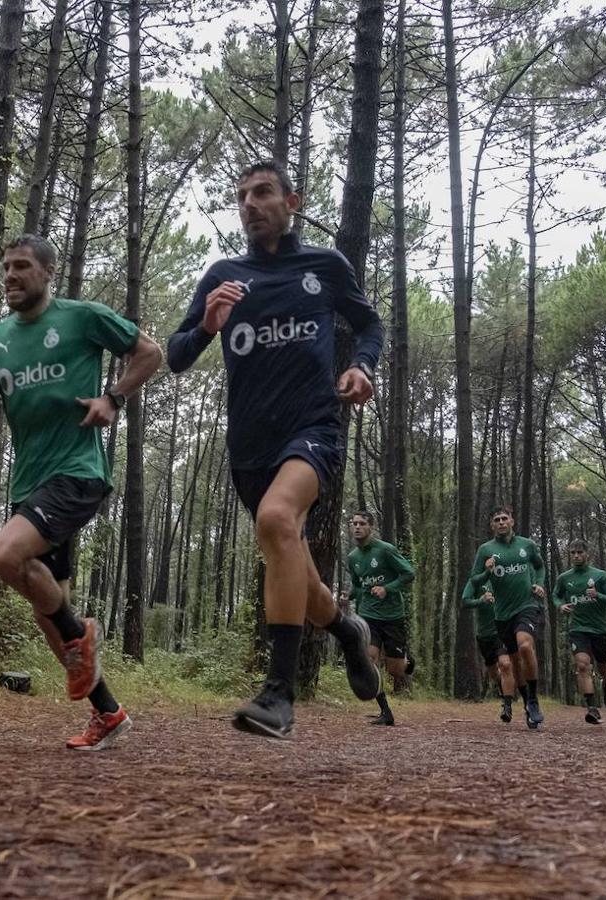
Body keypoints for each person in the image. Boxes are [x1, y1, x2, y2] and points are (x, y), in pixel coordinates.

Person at [166, 160, 384, 739]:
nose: (250, 204)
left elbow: (369, 324)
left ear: (292, 201)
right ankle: (345, 630)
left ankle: (279, 693)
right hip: (249, 445)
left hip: (313, 427)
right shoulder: (223, 274)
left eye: (262, 193)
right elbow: (177, 353)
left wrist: (362, 366)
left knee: (277, 517)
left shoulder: (324, 265)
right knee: (294, 566)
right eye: (241, 196)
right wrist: (209, 324)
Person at [0, 234, 163, 750]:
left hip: (78, 470)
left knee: (5, 554)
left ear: (48, 272)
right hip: (28, 481)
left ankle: (80, 637)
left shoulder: (81, 317)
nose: (10, 276)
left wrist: (113, 398)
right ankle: (108, 713)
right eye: (5, 267)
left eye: (22, 266)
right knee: (48, 606)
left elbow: (149, 352)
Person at [464, 505, 547, 730]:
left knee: (526, 646)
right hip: (502, 615)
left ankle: (533, 700)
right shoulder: (485, 550)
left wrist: (538, 584)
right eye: (497, 520)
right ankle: (527, 704)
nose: (501, 522)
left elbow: (540, 567)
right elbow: (474, 581)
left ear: (512, 521)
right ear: (492, 525)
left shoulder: (527, 545)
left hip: (527, 606)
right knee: (515, 663)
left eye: (504, 518)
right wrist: (487, 571)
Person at [346, 511, 415, 726]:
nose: (357, 527)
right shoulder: (352, 558)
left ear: (371, 527)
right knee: (369, 659)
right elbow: (359, 585)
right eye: (354, 523)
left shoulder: (385, 550)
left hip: (392, 615)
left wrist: (387, 588)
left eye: (362, 523)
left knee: (396, 670)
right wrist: (347, 596)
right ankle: (385, 711)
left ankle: (408, 662)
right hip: (368, 616)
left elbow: (409, 573)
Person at [553, 539, 606, 725]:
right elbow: (556, 595)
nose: (576, 556)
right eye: (573, 553)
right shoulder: (564, 578)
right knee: (582, 665)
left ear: (587, 554)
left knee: (603, 668)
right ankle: (592, 708)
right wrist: (560, 605)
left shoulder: (600, 575)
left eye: (580, 552)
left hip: (600, 630)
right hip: (578, 629)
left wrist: (598, 595)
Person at [462, 579, 519, 723]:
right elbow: (465, 602)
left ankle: (507, 706)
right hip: (484, 635)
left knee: (505, 664)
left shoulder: (506, 576)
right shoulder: (476, 580)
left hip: (501, 631)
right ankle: (504, 689)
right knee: (493, 672)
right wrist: (481, 600)